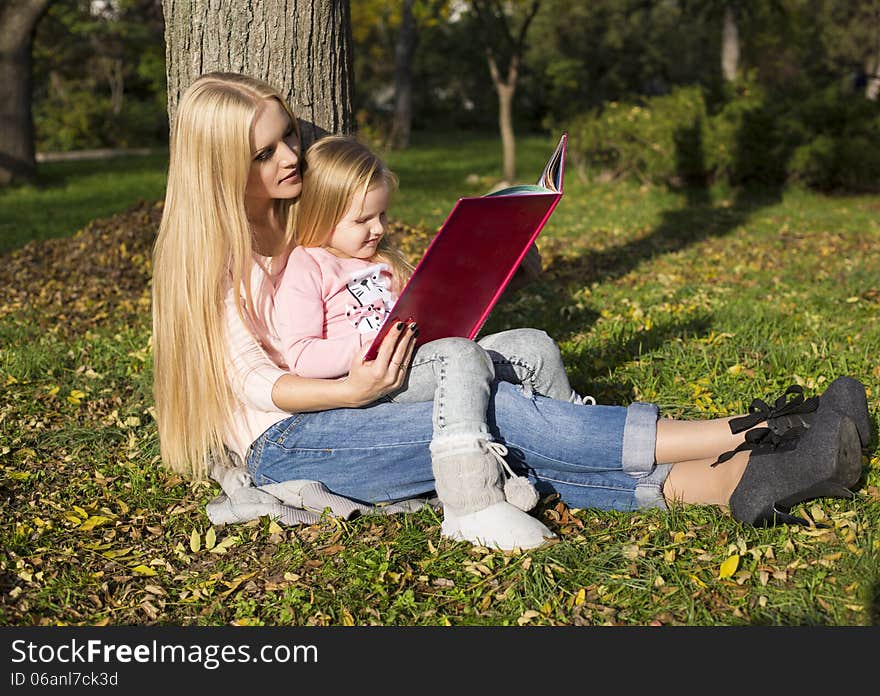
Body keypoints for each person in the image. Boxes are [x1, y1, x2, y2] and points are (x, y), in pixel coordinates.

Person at [151, 72, 871, 554]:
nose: (291, 156)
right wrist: (348, 390)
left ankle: (737, 480)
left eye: (289, 138)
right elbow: (253, 381)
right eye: (264, 152)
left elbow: (386, 299)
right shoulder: (216, 259)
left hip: (354, 408)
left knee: (499, 396)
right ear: (218, 167)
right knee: (501, 415)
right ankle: (761, 429)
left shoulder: (304, 219)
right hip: (294, 442)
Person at [273, 134, 597, 550]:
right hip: (380, 385)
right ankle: (470, 501)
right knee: (460, 356)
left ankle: (578, 443)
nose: (378, 229)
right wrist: (368, 342)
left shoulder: (383, 259)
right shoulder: (308, 264)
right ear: (319, 214)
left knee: (533, 344)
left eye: (383, 215)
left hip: (425, 361)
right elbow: (300, 354)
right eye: (362, 221)